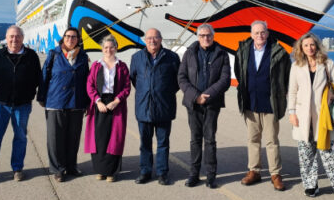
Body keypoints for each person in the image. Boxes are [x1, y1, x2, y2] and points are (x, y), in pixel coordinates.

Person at [287, 32, 334, 200]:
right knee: (306, 154)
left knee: (332, 155)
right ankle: (310, 185)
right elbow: (292, 91)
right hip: (303, 116)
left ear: (317, 46)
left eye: (312, 44)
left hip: (323, 116)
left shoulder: (328, 64)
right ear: (301, 48)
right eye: (306, 45)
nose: (309, 48)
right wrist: (291, 112)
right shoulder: (296, 66)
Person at [0, 25, 41, 186]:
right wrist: (1, 90)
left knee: (20, 137)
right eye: (11, 36)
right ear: (6, 38)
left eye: (18, 36)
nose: (14, 39)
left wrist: (27, 93)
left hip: (22, 104)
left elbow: (37, 78)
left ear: (23, 38)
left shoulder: (31, 56)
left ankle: (17, 168)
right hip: (0, 104)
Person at [234, 20, 291, 191]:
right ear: (251, 34)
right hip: (250, 101)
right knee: (253, 139)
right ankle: (254, 171)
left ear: (267, 33)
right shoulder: (243, 51)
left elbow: (287, 75)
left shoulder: (279, 52)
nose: (260, 35)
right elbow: (238, 72)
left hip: (270, 103)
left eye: (263, 32)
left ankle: (275, 174)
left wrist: (283, 93)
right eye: (256, 32)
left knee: (272, 140)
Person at [178, 24, 231, 189]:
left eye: (208, 35)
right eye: (202, 35)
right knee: (195, 140)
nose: (205, 38)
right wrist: (196, 97)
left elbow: (225, 80)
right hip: (193, 103)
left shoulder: (221, 54)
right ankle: (194, 174)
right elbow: (181, 77)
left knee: (210, 140)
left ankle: (210, 176)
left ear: (213, 36)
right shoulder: (189, 53)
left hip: (212, 103)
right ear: (198, 37)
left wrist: (207, 96)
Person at [37, 27, 90, 182]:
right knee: (55, 138)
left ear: (78, 39)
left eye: (74, 37)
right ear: (63, 38)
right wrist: (41, 97)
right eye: (68, 36)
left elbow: (87, 80)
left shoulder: (82, 56)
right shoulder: (54, 54)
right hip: (56, 101)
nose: (70, 39)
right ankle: (58, 169)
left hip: (76, 101)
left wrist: (87, 102)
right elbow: (44, 76)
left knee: (73, 137)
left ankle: (71, 166)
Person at [129, 28, 180, 185]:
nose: (152, 40)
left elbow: (178, 81)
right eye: (149, 38)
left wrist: (163, 92)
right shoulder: (136, 58)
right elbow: (134, 79)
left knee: (163, 143)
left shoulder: (172, 57)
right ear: (145, 40)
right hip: (143, 106)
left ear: (161, 39)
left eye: (156, 37)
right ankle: (145, 171)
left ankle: (162, 172)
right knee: (145, 143)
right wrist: (147, 92)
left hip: (164, 106)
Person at [85, 35, 131, 182]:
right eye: (106, 47)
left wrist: (117, 101)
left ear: (116, 48)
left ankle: (111, 172)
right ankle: (100, 170)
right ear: (102, 49)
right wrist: (97, 101)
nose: (108, 50)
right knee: (99, 137)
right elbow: (90, 85)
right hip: (99, 103)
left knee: (115, 137)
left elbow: (127, 87)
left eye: (111, 47)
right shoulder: (96, 65)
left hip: (116, 104)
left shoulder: (122, 66)